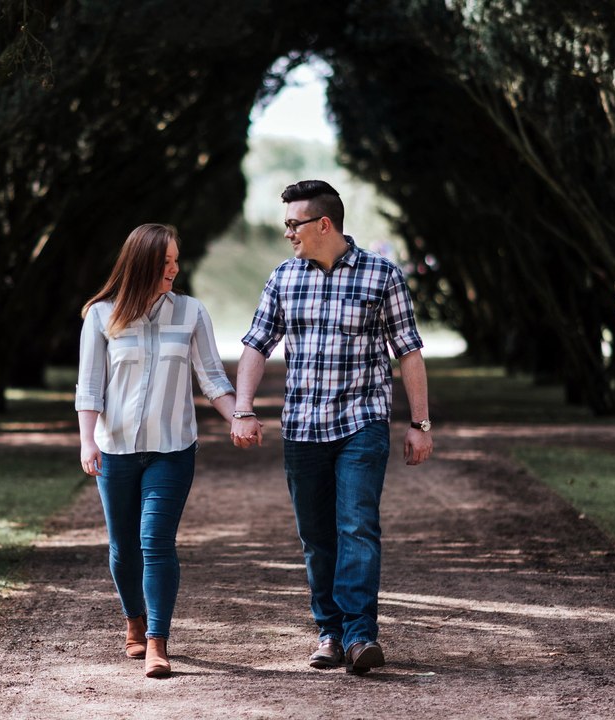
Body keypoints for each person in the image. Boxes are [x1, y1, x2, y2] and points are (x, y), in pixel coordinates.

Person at [231, 180, 433, 675]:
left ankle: (361, 635)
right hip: (303, 428)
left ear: (324, 224)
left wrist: (420, 423)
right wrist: (243, 409)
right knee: (317, 536)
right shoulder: (284, 278)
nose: (288, 234)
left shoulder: (382, 276)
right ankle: (330, 632)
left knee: (357, 526)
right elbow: (257, 344)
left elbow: (408, 351)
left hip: (362, 422)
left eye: (293, 224)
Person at [76, 223, 238, 679]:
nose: (174, 269)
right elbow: (90, 385)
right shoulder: (101, 316)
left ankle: (157, 641)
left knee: (156, 541)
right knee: (123, 547)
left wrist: (238, 417)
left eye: (176, 260)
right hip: (116, 449)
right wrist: (87, 440)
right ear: (143, 262)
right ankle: (133, 619)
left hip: (172, 448)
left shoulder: (190, 312)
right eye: (166, 261)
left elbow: (212, 377)